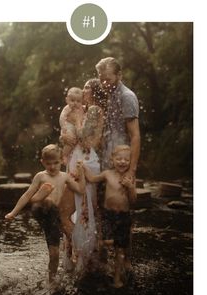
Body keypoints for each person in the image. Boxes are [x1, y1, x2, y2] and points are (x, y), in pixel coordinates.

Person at [5, 144, 85, 287]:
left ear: (62, 161)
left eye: (56, 163)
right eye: (48, 164)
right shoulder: (41, 176)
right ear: (42, 162)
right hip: (40, 210)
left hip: (52, 219)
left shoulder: (65, 177)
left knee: (54, 254)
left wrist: (82, 172)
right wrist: (13, 212)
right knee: (44, 201)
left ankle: (52, 281)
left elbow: (80, 189)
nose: (53, 167)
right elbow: (26, 195)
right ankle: (40, 198)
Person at [59, 78, 104, 273]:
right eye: (83, 87)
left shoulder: (94, 112)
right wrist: (63, 136)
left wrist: (77, 122)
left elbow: (87, 142)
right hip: (73, 158)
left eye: (87, 88)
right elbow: (66, 130)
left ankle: (85, 256)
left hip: (85, 161)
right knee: (71, 208)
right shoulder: (76, 109)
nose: (84, 91)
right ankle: (72, 256)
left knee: (84, 207)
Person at [83, 145, 137, 288]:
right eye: (119, 158)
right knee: (107, 241)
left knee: (120, 250)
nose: (122, 162)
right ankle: (104, 252)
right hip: (108, 215)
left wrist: (130, 187)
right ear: (112, 159)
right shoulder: (107, 174)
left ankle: (117, 278)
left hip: (124, 216)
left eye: (126, 159)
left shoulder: (130, 177)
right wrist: (83, 166)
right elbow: (92, 178)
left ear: (130, 161)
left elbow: (133, 200)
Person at [95, 57, 140, 181]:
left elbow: (135, 136)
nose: (104, 84)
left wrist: (131, 170)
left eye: (108, 80)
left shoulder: (127, 97)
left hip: (122, 164)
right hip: (108, 160)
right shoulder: (111, 93)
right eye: (101, 80)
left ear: (119, 75)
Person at [59, 87, 85, 165]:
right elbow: (62, 118)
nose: (75, 103)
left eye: (78, 101)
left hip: (77, 129)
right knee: (70, 142)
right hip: (68, 127)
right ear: (67, 100)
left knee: (77, 140)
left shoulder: (82, 109)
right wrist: (63, 128)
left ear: (82, 101)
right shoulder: (67, 109)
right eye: (72, 100)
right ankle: (64, 155)